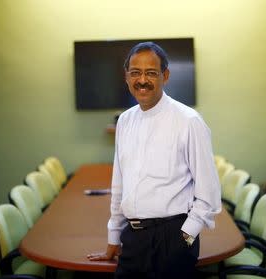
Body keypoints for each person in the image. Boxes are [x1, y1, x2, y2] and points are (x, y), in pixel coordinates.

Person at [87, 42, 221, 278]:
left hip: (173, 239)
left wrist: (185, 238)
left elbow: (208, 194)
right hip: (133, 239)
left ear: (165, 76)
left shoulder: (188, 121)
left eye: (151, 73)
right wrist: (113, 238)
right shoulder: (125, 121)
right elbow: (120, 187)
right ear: (126, 77)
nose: (142, 80)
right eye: (135, 73)